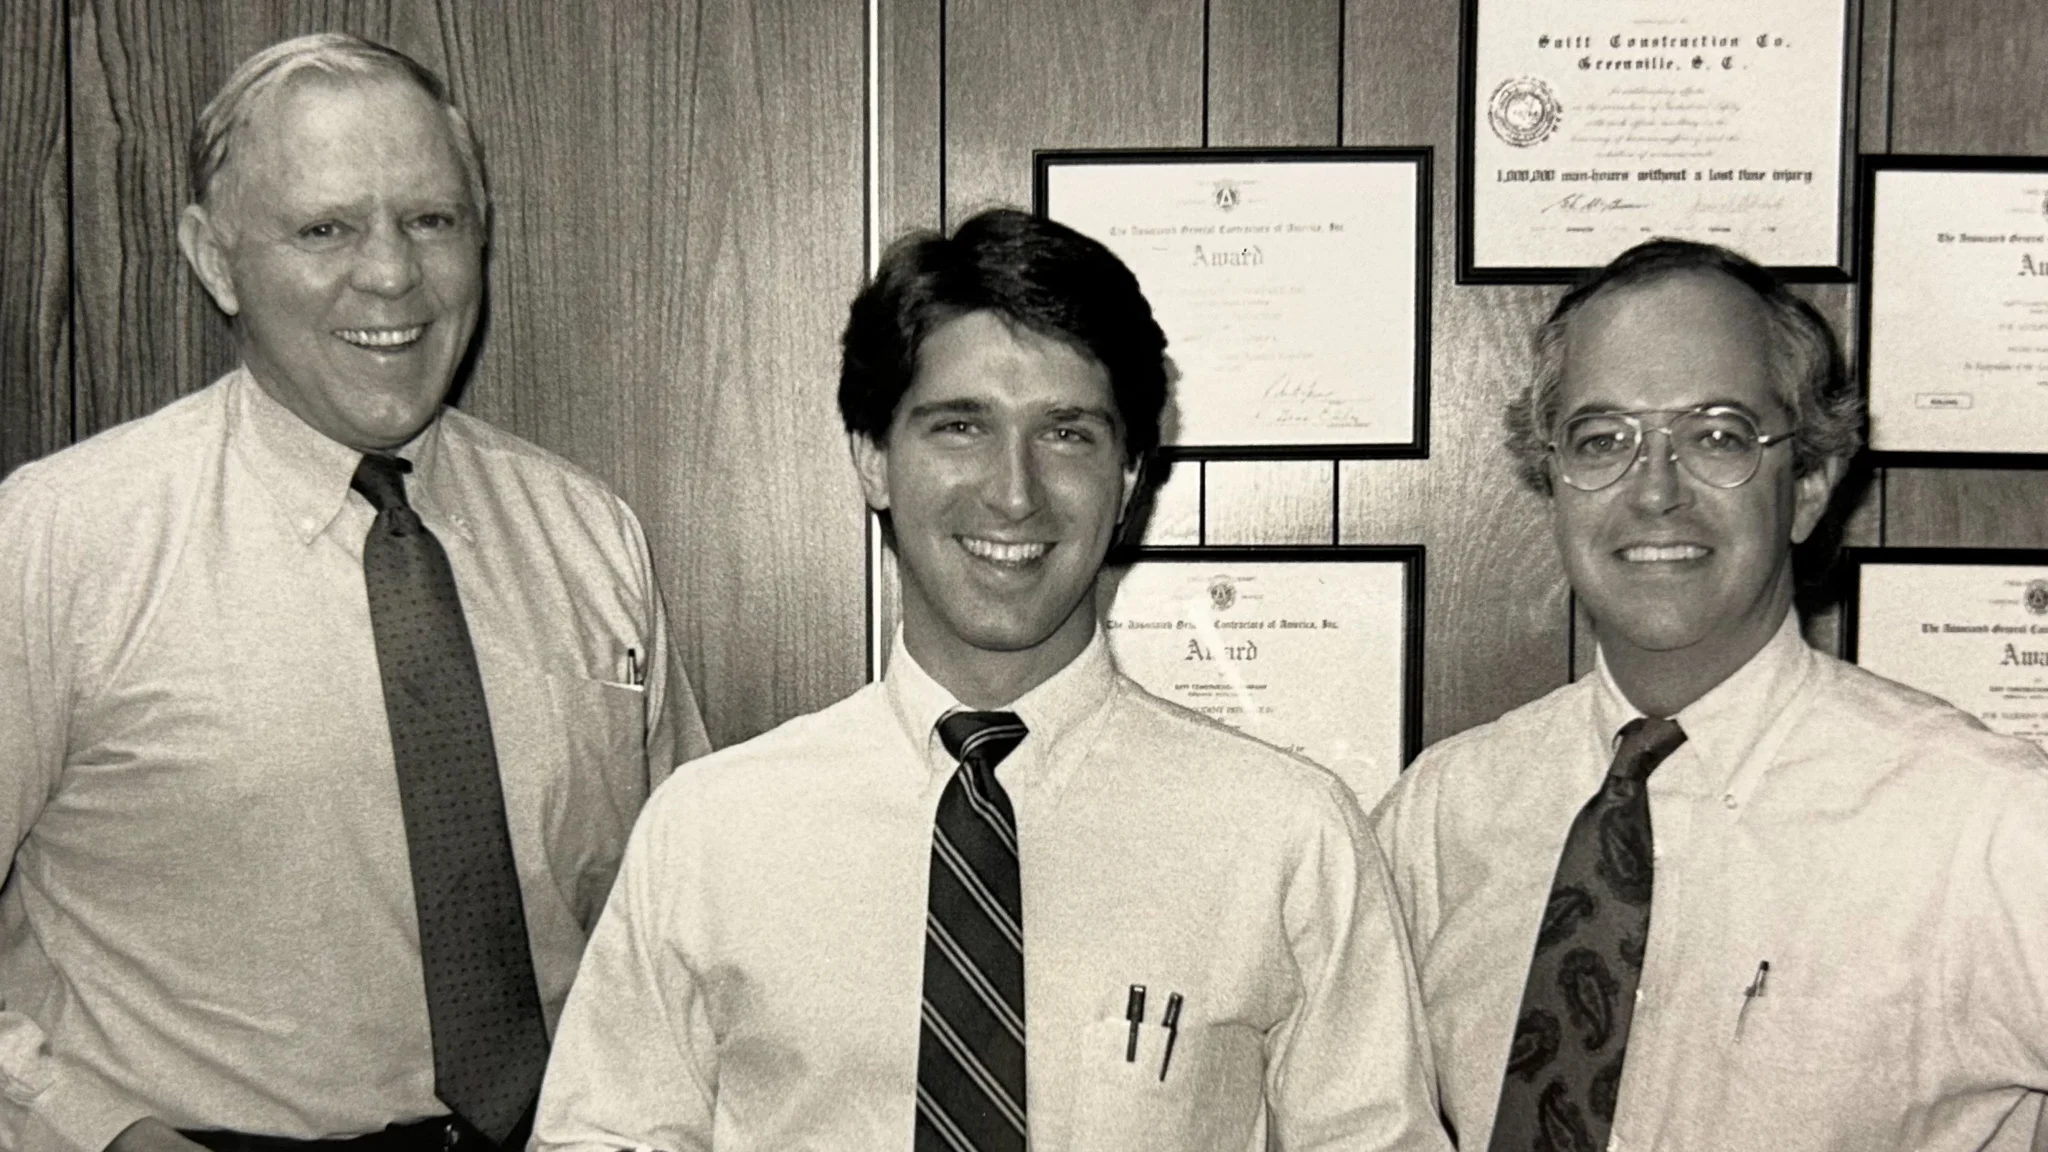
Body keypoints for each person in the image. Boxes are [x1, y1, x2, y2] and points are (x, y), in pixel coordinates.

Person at [532, 208, 1448, 1152]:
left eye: (1067, 434)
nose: (1014, 491)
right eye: (961, 425)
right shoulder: (708, 833)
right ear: (873, 459)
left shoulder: (1288, 837)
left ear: (1130, 478)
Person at [0, 32, 709, 1152]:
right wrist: (86, 1127)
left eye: (431, 220)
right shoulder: (57, 540)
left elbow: (683, 916)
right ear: (214, 257)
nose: (390, 274)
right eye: (324, 228)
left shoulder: (588, 537)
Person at [1372, 238, 2048, 1151]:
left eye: (1717, 435)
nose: (1654, 491)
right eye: (1602, 439)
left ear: (1808, 482)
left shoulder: (1989, 825)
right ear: (1555, 484)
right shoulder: (1441, 815)